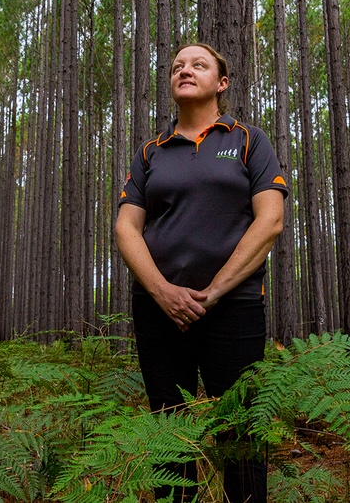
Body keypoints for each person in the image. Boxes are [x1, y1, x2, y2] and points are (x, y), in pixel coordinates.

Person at [115, 42, 287, 503]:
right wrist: (163, 292)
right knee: (168, 433)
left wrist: (212, 292)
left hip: (235, 309)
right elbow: (126, 227)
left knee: (241, 434)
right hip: (159, 313)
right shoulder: (151, 151)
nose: (184, 70)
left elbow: (270, 220)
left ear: (221, 82)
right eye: (177, 66)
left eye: (198, 64)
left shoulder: (248, 140)